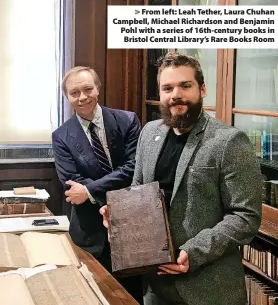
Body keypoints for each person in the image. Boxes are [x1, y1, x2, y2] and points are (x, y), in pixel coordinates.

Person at [100, 52, 262, 305]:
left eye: (185, 85)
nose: (176, 94)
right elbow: (138, 193)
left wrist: (193, 252)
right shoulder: (149, 133)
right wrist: (119, 218)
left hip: (208, 289)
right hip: (155, 285)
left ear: (203, 89)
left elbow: (245, 217)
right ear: (161, 94)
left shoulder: (229, 142)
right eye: (167, 88)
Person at [52, 66, 144, 304]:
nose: (82, 97)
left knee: (130, 295)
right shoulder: (61, 136)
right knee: (92, 295)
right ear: (67, 97)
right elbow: (71, 182)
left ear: (98, 88)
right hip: (89, 230)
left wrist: (90, 190)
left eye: (87, 89)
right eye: (74, 93)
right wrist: (90, 191)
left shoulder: (127, 121)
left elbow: (133, 168)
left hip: (130, 224)